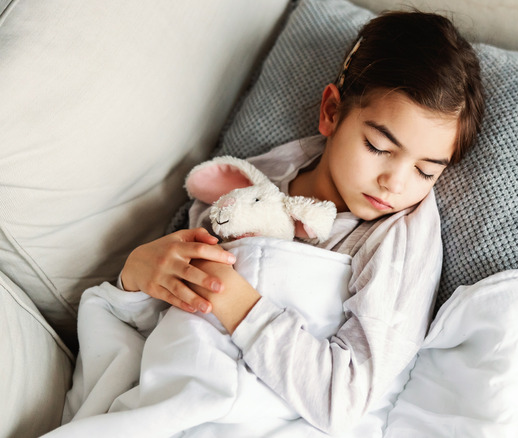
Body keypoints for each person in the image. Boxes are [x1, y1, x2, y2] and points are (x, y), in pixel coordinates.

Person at [117, 10, 485, 434]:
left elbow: (343, 399)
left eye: (426, 172)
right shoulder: (257, 185)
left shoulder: (398, 239)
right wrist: (134, 277)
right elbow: (165, 320)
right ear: (331, 112)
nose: (395, 184)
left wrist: (237, 301)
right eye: (378, 146)